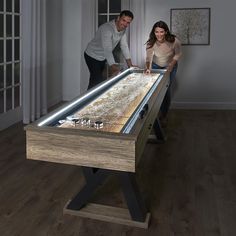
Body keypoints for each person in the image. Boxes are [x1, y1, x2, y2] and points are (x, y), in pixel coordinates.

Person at [84, 10, 135, 90]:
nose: (125, 24)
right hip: (91, 55)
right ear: (118, 18)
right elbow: (107, 49)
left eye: (128, 22)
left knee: (94, 81)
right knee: (97, 81)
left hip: (102, 57)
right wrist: (114, 68)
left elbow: (124, 46)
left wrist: (130, 65)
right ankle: (90, 101)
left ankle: (86, 101)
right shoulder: (107, 29)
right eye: (123, 20)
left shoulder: (123, 30)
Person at [145, 20, 182, 124]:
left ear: (166, 32)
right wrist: (148, 68)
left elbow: (178, 54)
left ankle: (164, 115)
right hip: (156, 66)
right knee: (155, 90)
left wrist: (171, 66)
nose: (159, 34)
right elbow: (148, 58)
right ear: (154, 32)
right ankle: (154, 113)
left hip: (171, 66)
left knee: (165, 91)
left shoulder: (174, 40)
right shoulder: (151, 42)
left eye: (161, 32)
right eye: (157, 32)